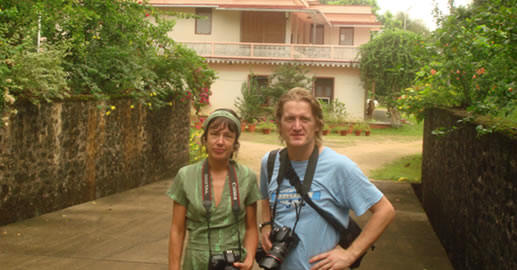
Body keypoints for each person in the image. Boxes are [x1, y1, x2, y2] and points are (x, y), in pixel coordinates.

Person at [259, 88, 395, 270]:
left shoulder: (339, 167)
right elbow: (265, 196)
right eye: (290, 119)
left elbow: (385, 210)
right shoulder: (270, 162)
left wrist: (350, 254)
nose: (297, 126)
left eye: (305, 119)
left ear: (317, 124)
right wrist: (266, 225)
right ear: (279, 124)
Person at [168, 109, 261, 270]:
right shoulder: (186, 176)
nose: (220, 141)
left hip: (233, 262)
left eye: (228, 136)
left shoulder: (247, 177)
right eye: (214, 134)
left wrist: (250, 258)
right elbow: (177, 229)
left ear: (235, 144)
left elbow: (251, 227)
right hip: (196, 262)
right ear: (205, 139)